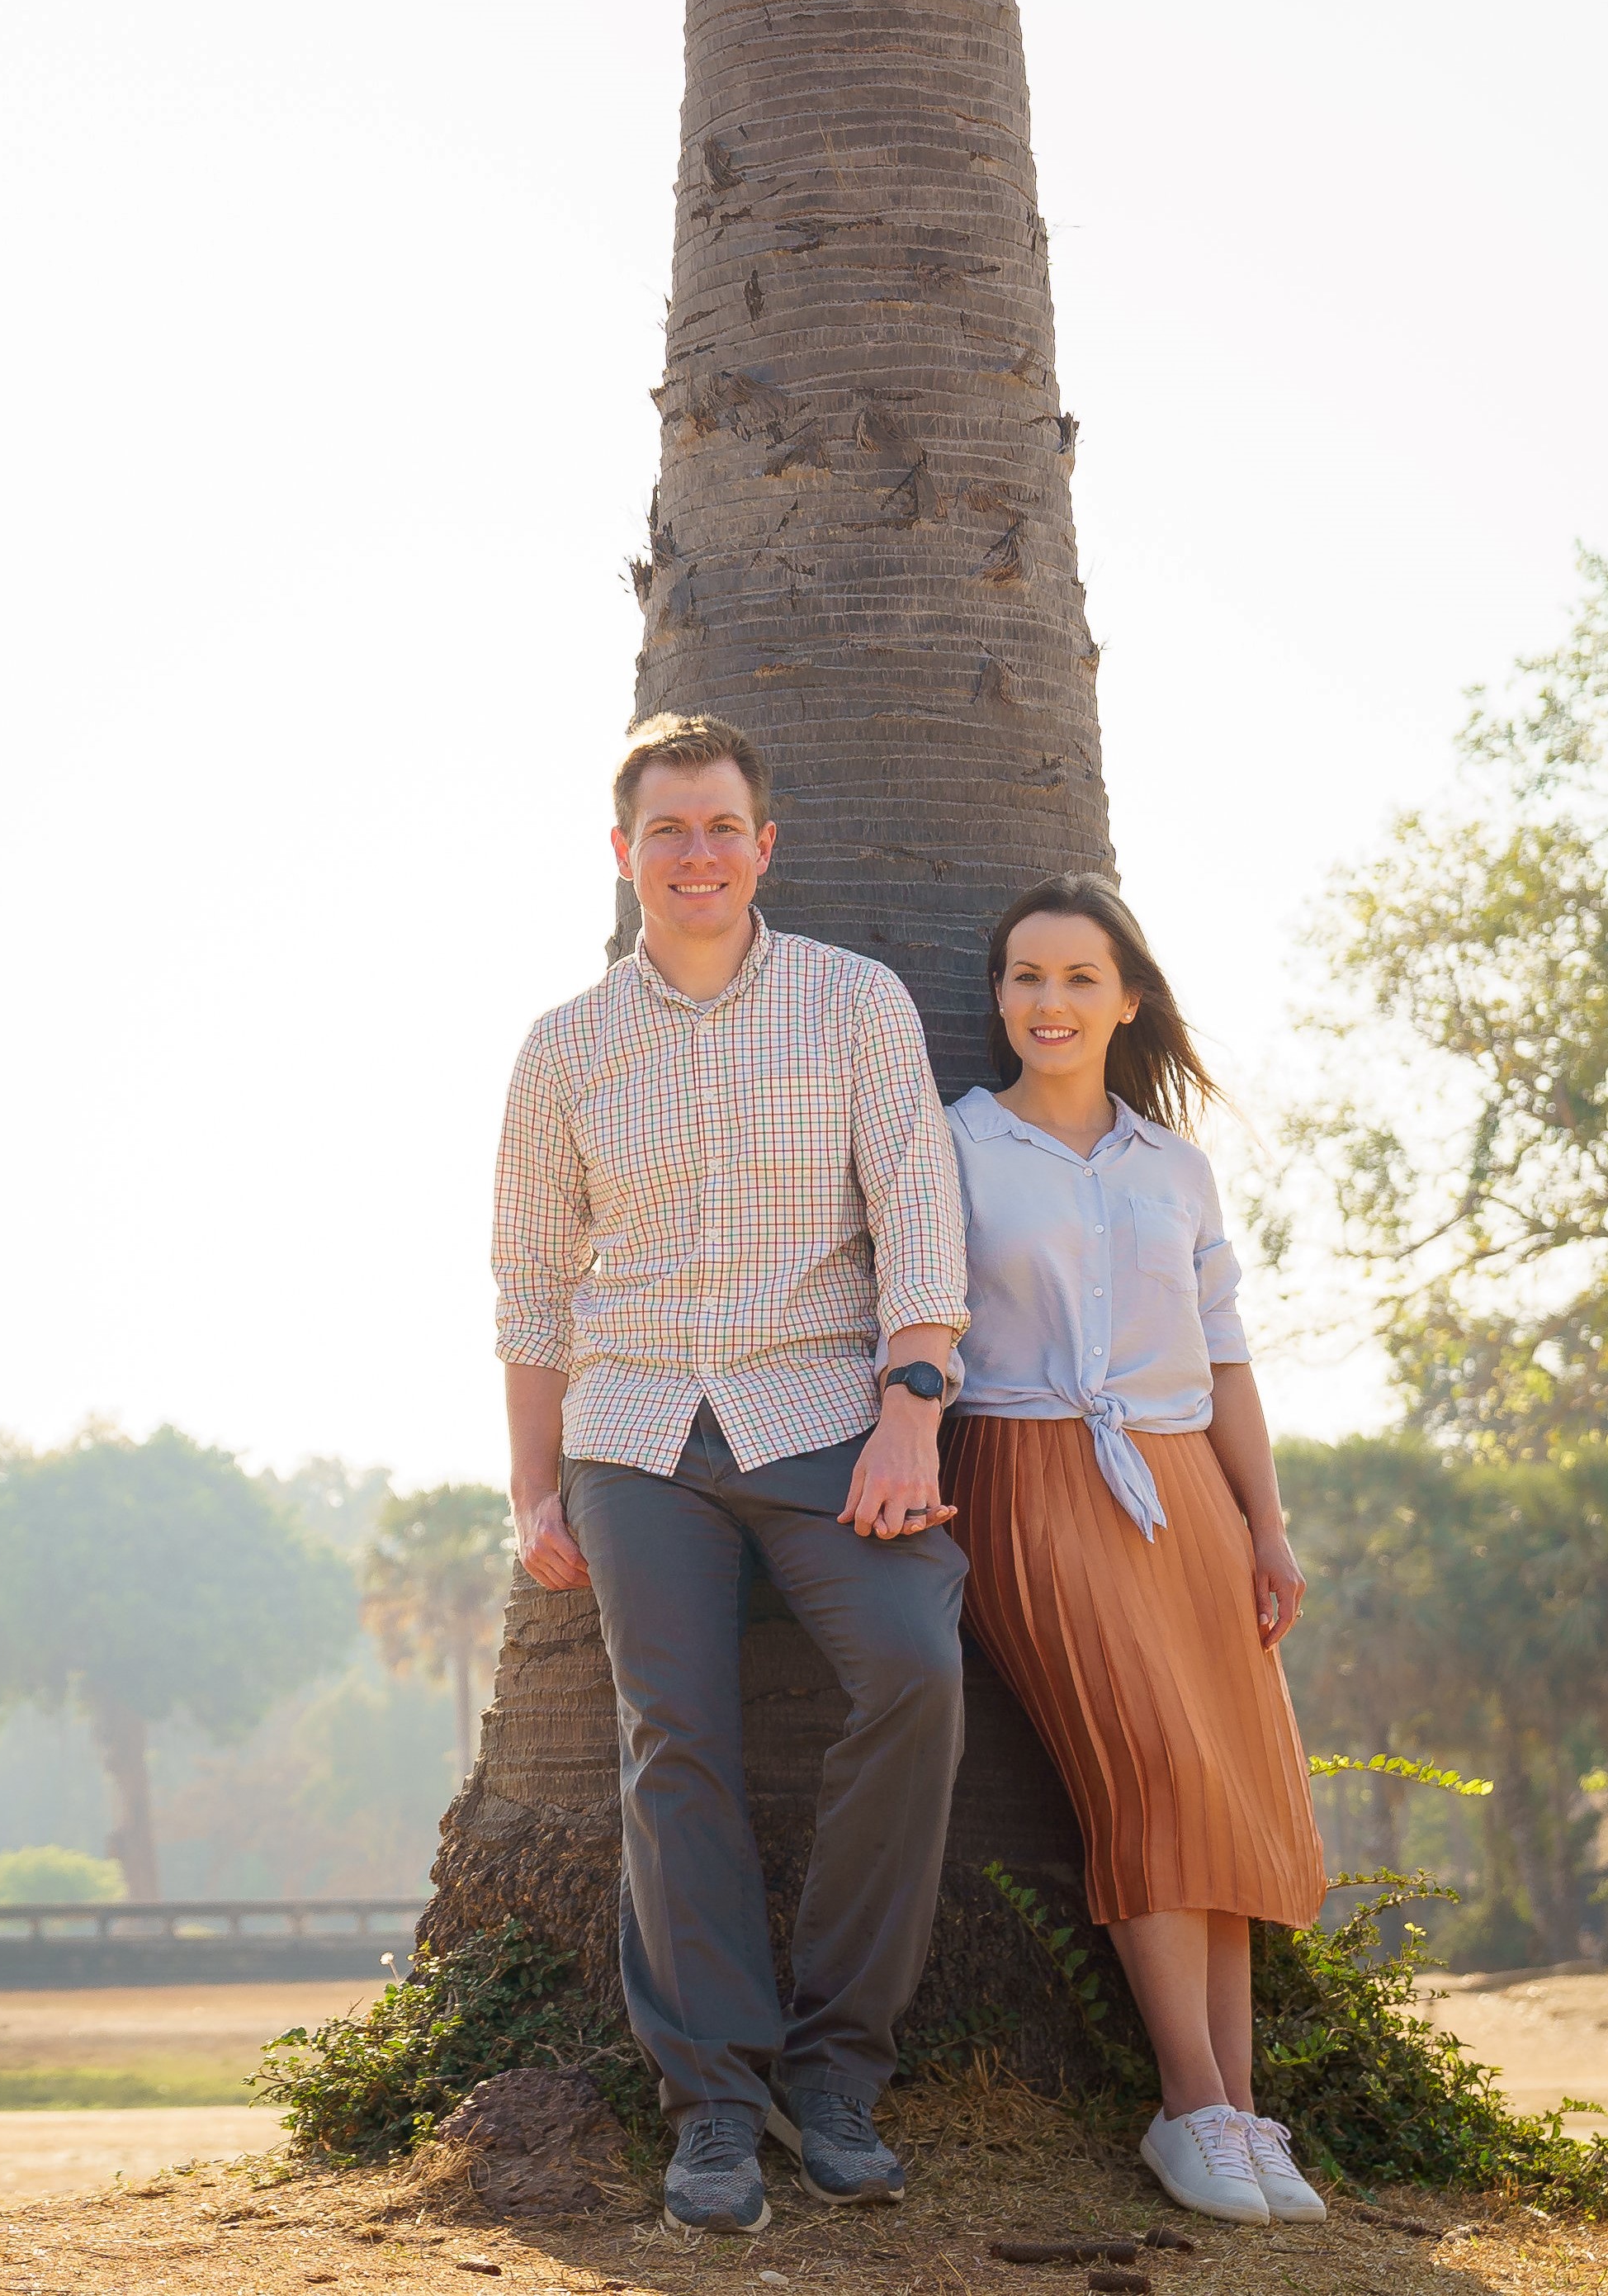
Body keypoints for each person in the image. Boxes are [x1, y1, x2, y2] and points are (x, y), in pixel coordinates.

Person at [493, 712, 972, 2233]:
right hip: (634, 1437)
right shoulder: (564, 1046)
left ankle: (834, 2072)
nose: (694, 855)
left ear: (764, 844)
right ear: (621, 851)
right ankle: (710, 2103)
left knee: (911, 1672)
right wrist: (531, 1486)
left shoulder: (852, 1004)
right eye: (665, 830)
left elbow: (919, 1224)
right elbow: (527, 1283)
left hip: (827, 1416)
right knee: (673, 1738)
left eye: (719, 827)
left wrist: (910, 1413)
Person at [943, 874, 1327, 2226]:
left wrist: (1264, 1524)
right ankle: (1186, 2103)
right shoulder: (956, 1144)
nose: (1046, 1001)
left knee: (1221, 1779)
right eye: (1023, 976)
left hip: (1185, 1488)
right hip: (1030, 1462)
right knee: (1153, 1762)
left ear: (1128, 997)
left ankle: (1234, 2100)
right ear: (998, 997)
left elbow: (1221, 1351)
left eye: (1074, 977)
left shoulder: (1174, 1163)